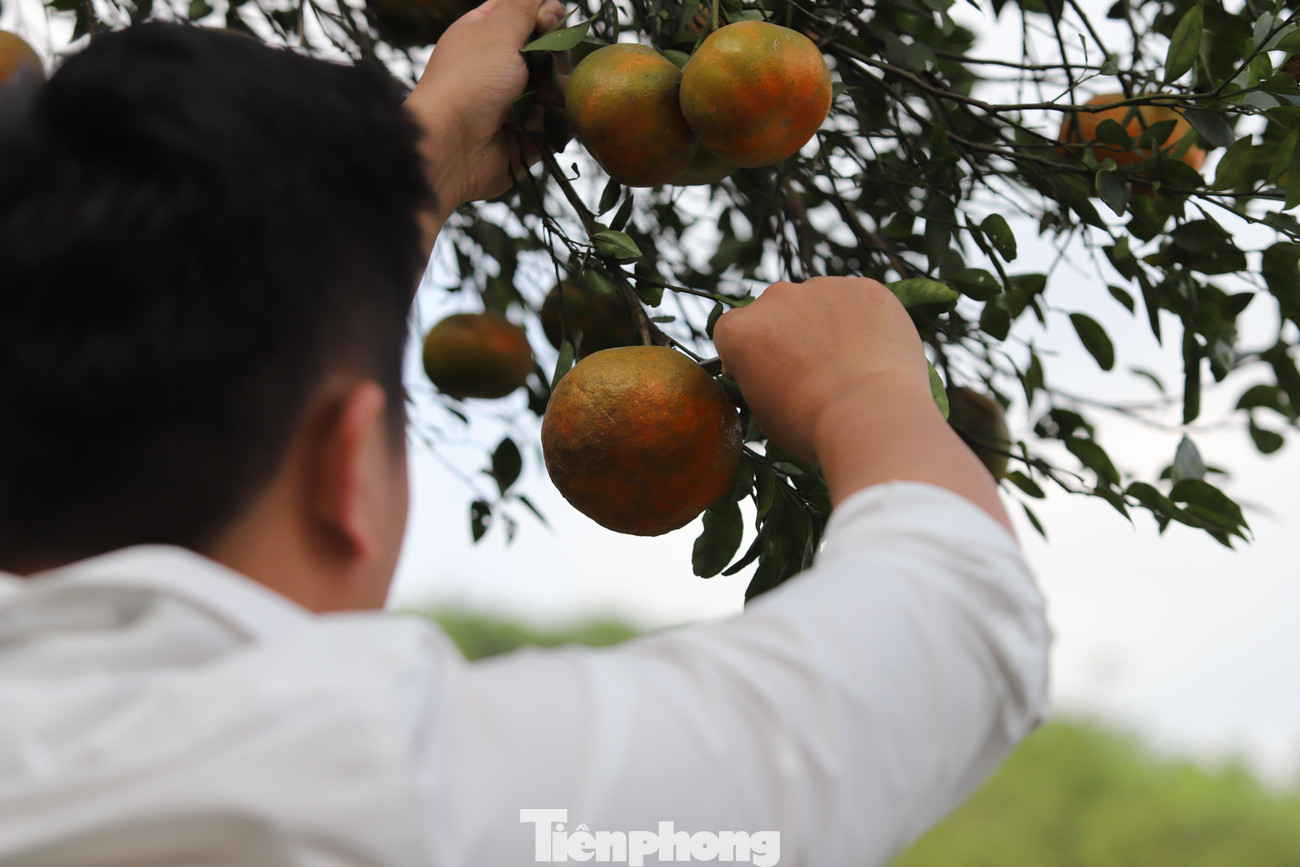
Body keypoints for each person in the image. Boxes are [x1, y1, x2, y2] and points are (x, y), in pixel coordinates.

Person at [0, 5, 1049, 866]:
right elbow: (959, 624)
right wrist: (866, 387)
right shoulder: (389, 804)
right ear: (342, 470)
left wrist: (430, 155)